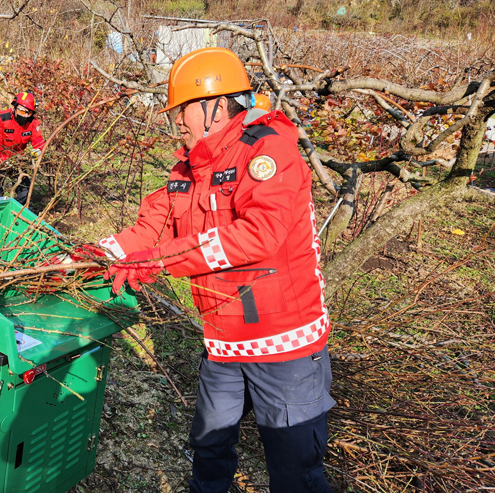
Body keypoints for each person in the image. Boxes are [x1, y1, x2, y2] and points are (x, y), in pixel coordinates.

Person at [100, 47, 335, 493]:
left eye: (183, 110)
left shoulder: (269, 153)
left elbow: (260, 234)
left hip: (284, 349)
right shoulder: (188, 168)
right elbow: (150, 228)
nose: (177, 122)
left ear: (215, 105)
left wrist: (162, 260)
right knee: (209, 453)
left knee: (295, 472)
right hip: (223, 346)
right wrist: (95, 254)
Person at [0, 92, 45, 206]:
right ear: (14, 107)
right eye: (22, 111)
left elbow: (38, 140)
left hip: (18, 161)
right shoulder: (0, 119)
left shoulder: (32, 122)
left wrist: (39, 151)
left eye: (29, 112)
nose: (26, 115)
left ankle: (21, 214)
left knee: (25, 192)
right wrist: (4, 160)